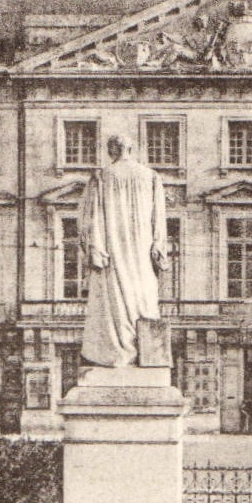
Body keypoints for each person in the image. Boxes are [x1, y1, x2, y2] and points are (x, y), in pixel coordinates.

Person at [79, 135, 170, 368]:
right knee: (143, 297)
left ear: (112, 150)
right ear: (130, 148)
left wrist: (95, 247)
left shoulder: (100, 176)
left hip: (112, 250)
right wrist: (158, 247)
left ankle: (117, 352)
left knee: (114, 301)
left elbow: (90, 218)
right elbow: (159, 218)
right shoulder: (151, 176)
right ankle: (143, 352)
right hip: (142, 252)